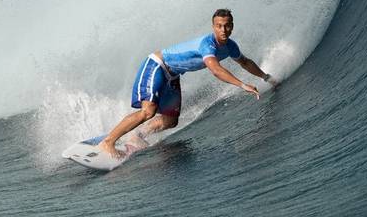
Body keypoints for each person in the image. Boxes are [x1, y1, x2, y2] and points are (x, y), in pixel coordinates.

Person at [98, 8, 276, 159]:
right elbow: (215, 69)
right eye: (219, 26)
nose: (223, 29)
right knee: (148, 111)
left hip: (173, 75)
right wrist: (242, 85)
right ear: (213, 27)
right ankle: (107, 142)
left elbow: (245, 62)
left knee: (170, 121)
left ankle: (137, 135)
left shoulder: (231, 46)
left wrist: (265, 76)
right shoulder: (208, 44)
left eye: (227, 25)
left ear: (232, 26)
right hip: (157, 65)